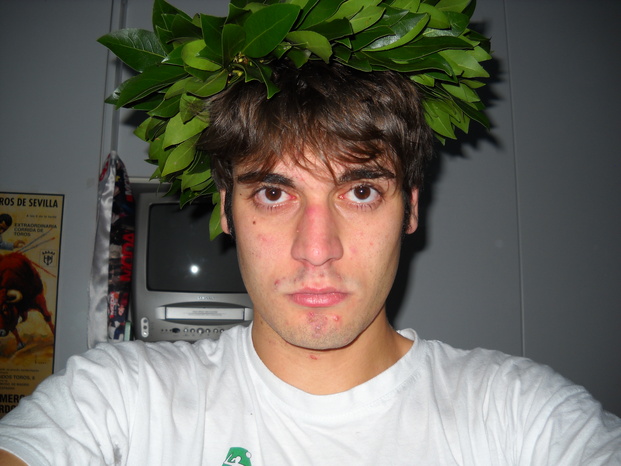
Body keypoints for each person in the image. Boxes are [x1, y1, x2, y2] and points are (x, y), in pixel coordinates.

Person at [1, 62, 620, 465]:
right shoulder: (117, 400)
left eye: (360, 191)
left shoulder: (517, 415)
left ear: (410, 209)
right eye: (274, 194)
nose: (317, 248)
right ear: (226, 210)